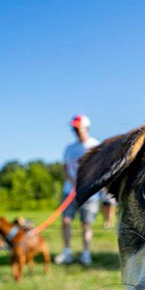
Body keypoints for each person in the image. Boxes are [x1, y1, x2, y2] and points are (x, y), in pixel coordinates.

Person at [54, 114, 100, 266]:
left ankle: (85, 253)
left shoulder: (95, 146)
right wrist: (73, 181)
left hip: (88, 192)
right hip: (69, 190)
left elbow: (98, 170)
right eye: (74, 128)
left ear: (86, 128)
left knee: (85, 223)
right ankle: (67, 251)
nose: (75, 131)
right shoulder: (70, 148)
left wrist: (85, 183)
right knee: (66, 221)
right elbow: (66, 168)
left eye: (78, 128)